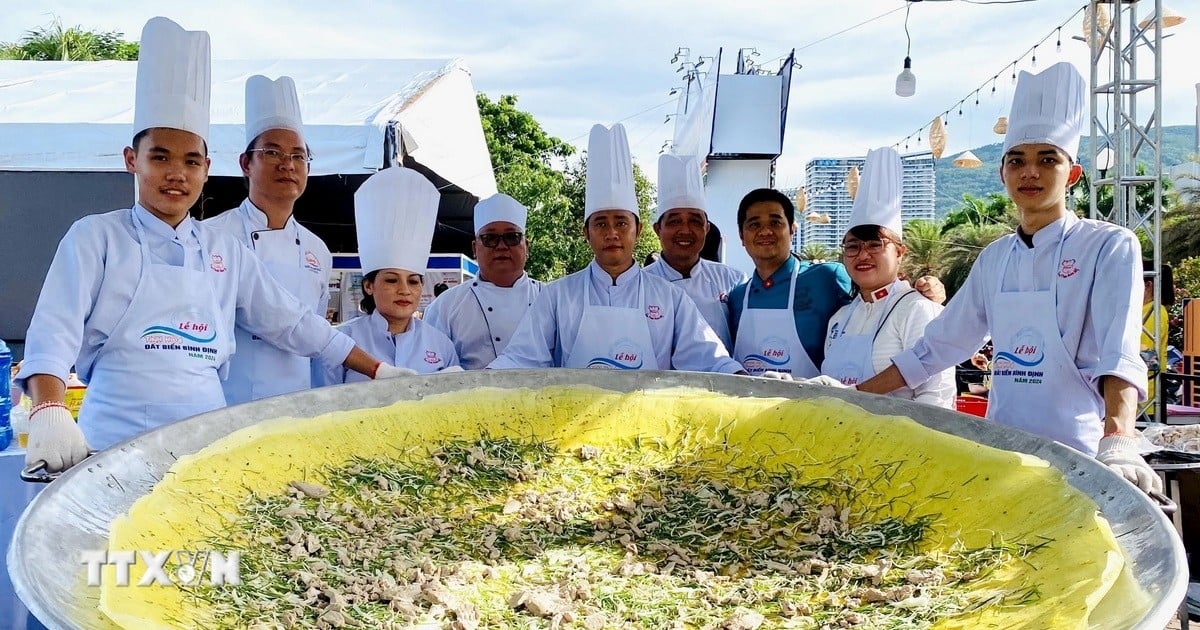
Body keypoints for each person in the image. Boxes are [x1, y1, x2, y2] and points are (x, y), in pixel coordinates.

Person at [15, 18, 409, 472]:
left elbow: (294, 323)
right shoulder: (96, 236)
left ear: (207, 169)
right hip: (113, 440)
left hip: (205, 441)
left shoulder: (225, 251)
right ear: (132, 161)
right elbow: (54, 330)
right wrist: (49, 408)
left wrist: (378, 369)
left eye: (190, 161)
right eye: (159, 157)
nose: (176, 174)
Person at [855, 62, 1160, 494]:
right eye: (1017, 161)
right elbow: (938, 347)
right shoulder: (995, 258)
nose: (1030, 172)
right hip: (1007, 451)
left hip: (1083, 453)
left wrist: (1119, 438)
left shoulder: (1109, 245)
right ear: (1003, 174)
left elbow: (1118, 352)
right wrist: (857, 396)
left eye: (1047, 160)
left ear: (1071, 174)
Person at [489, 124, 743, 374]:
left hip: (649, 414)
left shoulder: (670, 297)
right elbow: (521, 357)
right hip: (577, 413)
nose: (612, 233)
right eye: (600, 223)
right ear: (586, 232)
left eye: (621, 222)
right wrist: (480, 379)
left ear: (639, 229)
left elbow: (709, 356)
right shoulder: (557, 296)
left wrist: (744, 378)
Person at [204, 75, 331, 405]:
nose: (288, 165)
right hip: (225, 405)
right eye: (272, 152)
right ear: (246, 163)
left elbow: (315, 336)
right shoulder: (213, 237)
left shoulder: (318, 250)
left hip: (296, 406)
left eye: (299, 156)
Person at [728, 189, 945, 379]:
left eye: (776, 222)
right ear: (741, 235)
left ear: (793, 229)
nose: (765, 231)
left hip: (811, 410)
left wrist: (926, 292)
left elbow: (876, 299)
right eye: (754, 224)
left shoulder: (827, 277)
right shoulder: (736, 297)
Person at [820, 147, 954, 408]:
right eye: (853, 246)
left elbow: (936, 395)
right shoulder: (839, 319)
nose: (863, 255)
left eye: (875, 244)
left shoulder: (919, 308)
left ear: (900, 252)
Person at [317, 167, 461, 384]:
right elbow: (321, 402)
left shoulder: (441, 344)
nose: (404, 290)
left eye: (413, 281)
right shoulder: (342, 341)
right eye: (392, 280)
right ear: (369, 286)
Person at [423, 194, 542, 370]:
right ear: (474, 248)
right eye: (490, 238)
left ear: (526, 246)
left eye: (512, 237)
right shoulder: (445, 306)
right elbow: (432, 369)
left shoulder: (549, 299)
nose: (501, 246)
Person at [643, 154, 746, 351]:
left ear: (706, 229)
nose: (685, 230)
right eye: (674, 221)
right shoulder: (640, 284)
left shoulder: (733, 280)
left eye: (695, 221)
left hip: (722, 380)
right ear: (657, 229)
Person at [1141, 260, 1173, 410]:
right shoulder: (1149, 310)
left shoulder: (1154, 312)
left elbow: (1144, 352)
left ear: (1148, 285)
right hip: (1143, 398)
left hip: (1144, 401)